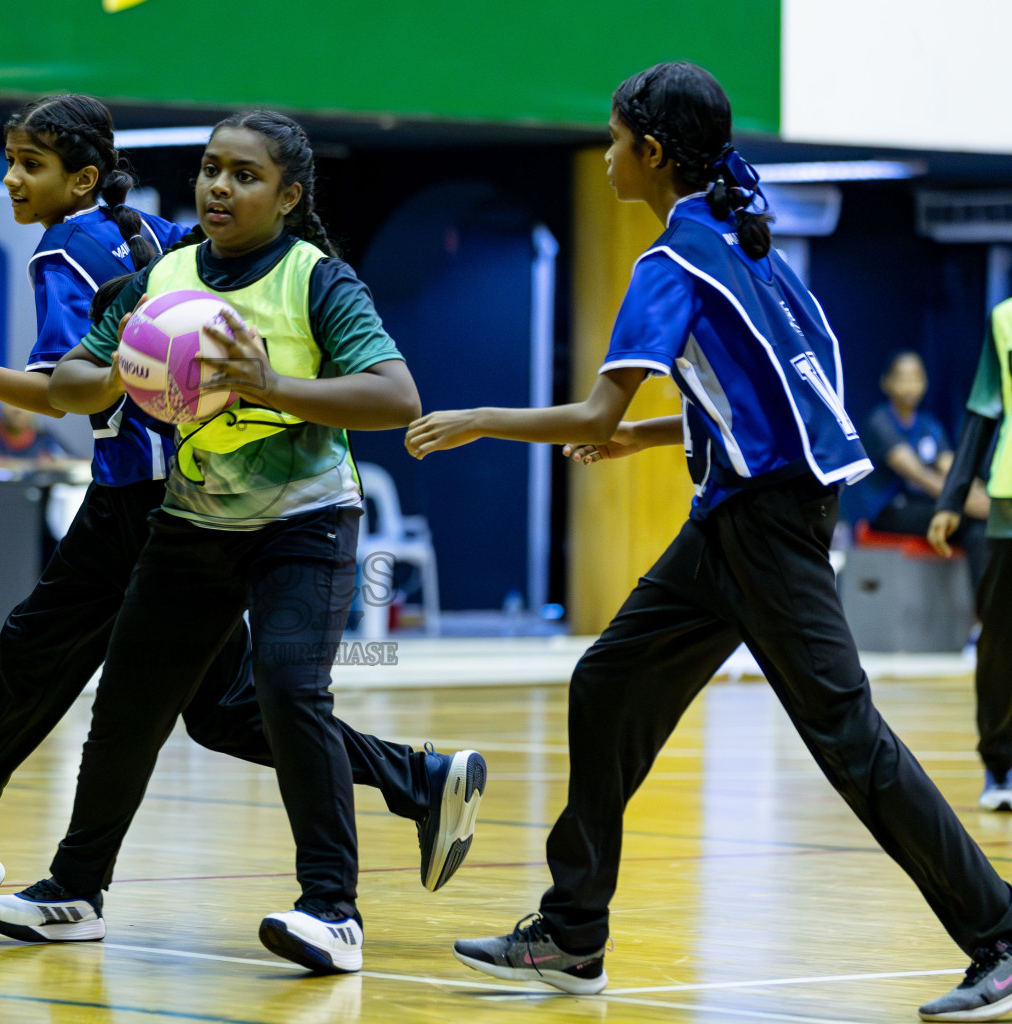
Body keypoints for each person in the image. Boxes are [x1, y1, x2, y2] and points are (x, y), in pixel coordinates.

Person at [403, 61, 1012, 1023]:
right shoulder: (749, 242)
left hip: (764, 528)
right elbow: (768, 395)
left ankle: (1001, 934)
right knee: (605, 685)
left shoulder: (675, 258)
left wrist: (481, 416)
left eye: (612, 140)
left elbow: (602, 402)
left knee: (849, 740)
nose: (604, 157)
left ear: (650, 152)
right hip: (740, 519)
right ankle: (572, 933)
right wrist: (645, 435)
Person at [0, 96, 480, 917]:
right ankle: (415, 780)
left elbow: (393, 396)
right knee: (204, 711)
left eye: (28, 163)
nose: (11, 179)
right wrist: (125, 367)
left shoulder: (89, 249)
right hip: (187, 507)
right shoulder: (160, 255)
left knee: (80, 660)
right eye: (211, 170)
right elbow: (86, 378)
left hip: (200, 501)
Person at [931, 302, 1012, 817]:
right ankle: (1001, 765)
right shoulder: (1004, 318)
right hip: (1008, 501)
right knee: (1002, 640)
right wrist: (950, 500)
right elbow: (982, 413)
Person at [857, 350, 989, 583]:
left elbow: (952, 469)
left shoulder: (929, 424)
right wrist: (963, 501)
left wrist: (987, 497)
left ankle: (986, 612)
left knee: (980, 528)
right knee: (967, 518)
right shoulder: (880, 422)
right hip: (889, 510)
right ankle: (984, 611)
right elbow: (918, 474)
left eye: (916, 377)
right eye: (902, 378)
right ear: (886, 383)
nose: (910, 385)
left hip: (923, 504)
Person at [0, 403, 72, 479]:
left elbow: (68, 462)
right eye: (11, 402)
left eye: (25, 403)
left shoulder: (43, 435)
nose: (18, 410)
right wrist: (41, 465)